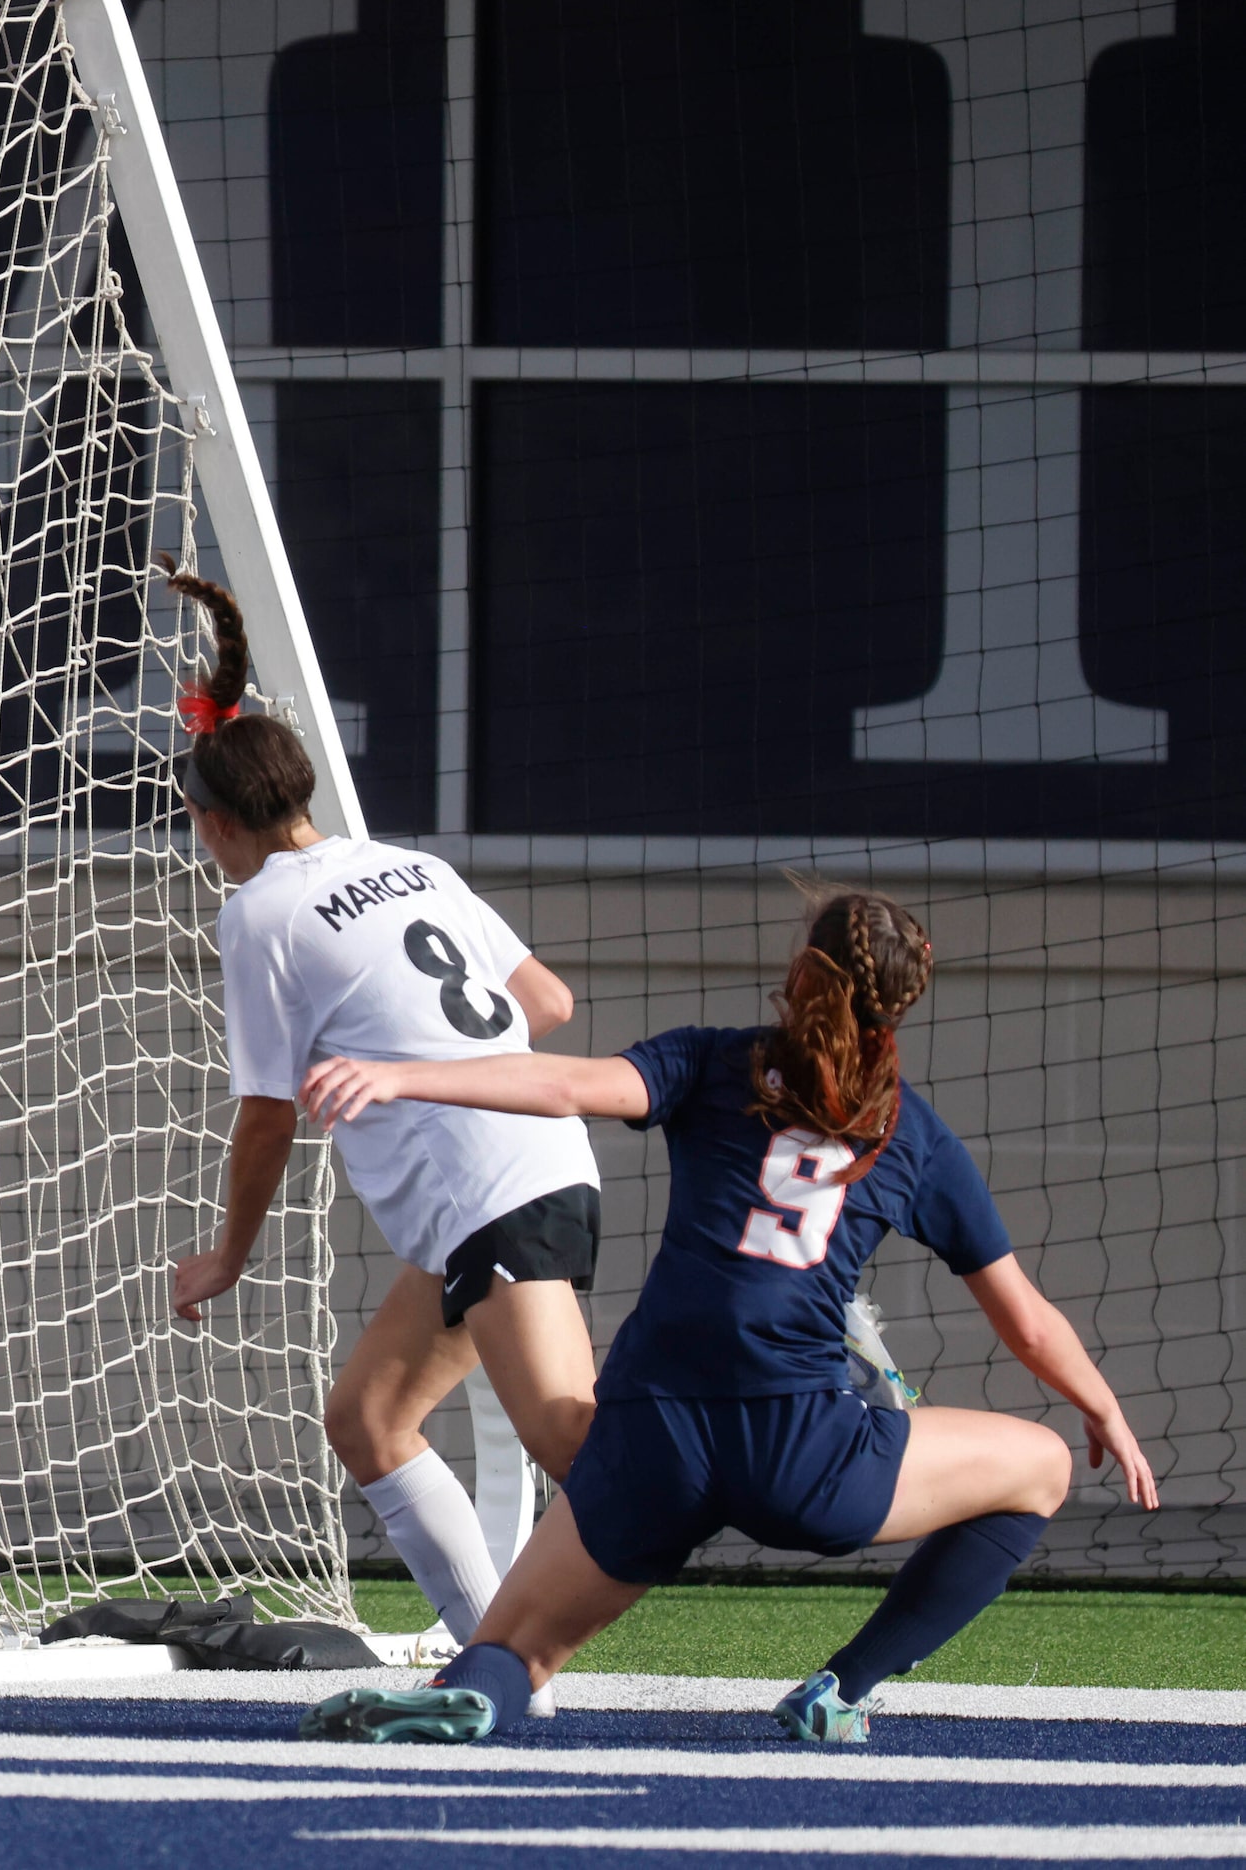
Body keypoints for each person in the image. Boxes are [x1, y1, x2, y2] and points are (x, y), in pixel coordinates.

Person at [296, 889, 1160, 1746]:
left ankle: (481, 1691)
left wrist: (401, 1074)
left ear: (800, 971)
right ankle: (842, 1690)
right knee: (1041, 1466)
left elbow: (565, 1085)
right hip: (803, 1458)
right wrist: (1103, 1411)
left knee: (513, 1649)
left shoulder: (715, 1063)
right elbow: (1027, 1323)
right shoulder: (907, 1132)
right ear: (900, 1005)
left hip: (653, 1435)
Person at [161, 557, 607, 1658]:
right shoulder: (409, 866)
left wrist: (225, 1257)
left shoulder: (259, 914)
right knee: (366, 1418)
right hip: (526, 1173)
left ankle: (779, 1448)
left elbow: (265, 1117)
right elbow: (541, 1002)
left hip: (490, 1196)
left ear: (213, 823)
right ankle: (498, 1671)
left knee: (584, 1450)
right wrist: (428, 1052)